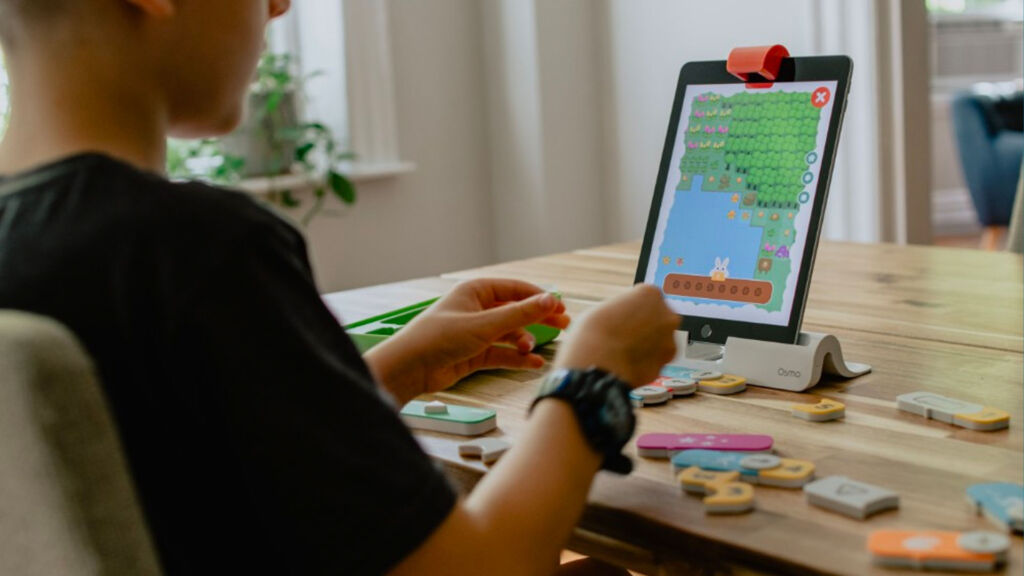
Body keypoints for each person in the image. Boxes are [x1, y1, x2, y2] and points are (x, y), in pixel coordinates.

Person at [0, 1, 679, 575]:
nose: (280, 6)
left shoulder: (48, 243)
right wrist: (591, 375)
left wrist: (399, 365)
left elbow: (181, 458)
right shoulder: (198, 251)